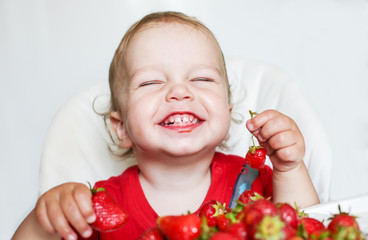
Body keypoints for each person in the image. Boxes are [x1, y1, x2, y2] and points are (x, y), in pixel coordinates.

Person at [13, 11, 319, 240]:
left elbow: (308, 227)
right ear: (121, 129)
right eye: (151, 82)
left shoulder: (252, 182)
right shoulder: (101, 206)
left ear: (227, 114)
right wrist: (45, 221)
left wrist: (289, 169)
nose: (179, 91)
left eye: (201, 79)